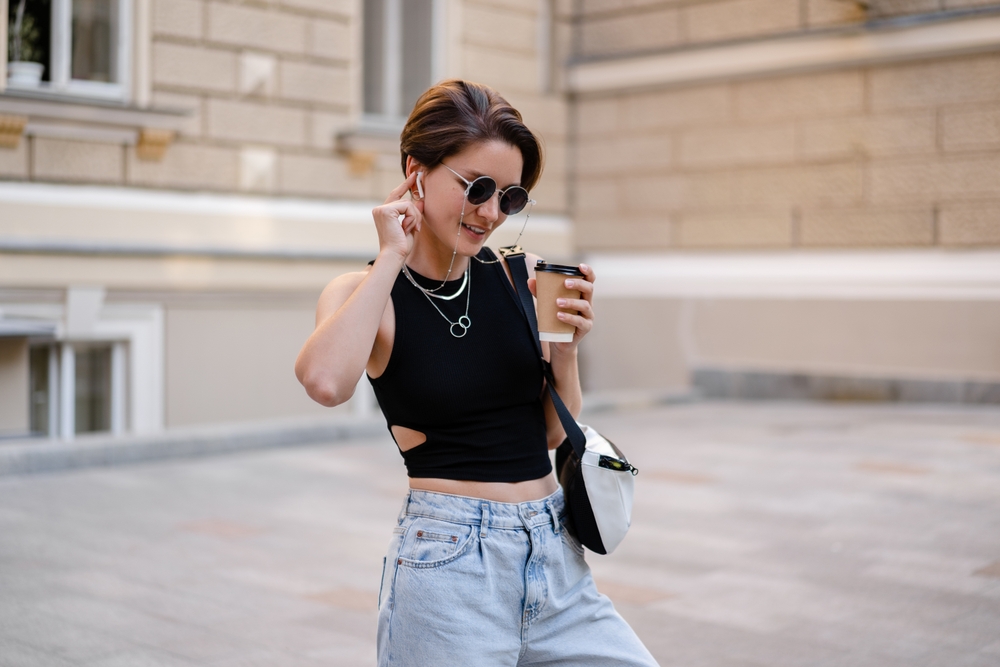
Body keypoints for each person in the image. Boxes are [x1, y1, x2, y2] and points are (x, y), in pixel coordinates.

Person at [295, 80, 657, 667]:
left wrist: (564, 351)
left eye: (509, 197)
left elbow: (547, 434)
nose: (490, 212)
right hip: (450, 567)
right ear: (416, 171)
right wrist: (391, 252)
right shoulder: (367, 294)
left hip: (555, 556)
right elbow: (325, 383)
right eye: (476, 187)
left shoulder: (523, 277)